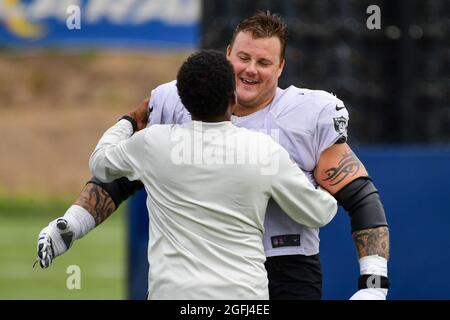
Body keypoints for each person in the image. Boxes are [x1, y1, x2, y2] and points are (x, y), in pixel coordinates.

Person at [36, 11, 390, 300]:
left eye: (264, 62)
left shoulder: (307, 113)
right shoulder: (180, 100)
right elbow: (121, 179)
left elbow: (359, 196)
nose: (251, 69)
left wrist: (374, 280)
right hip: (208, 266)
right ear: (227, 56)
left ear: (281, 68)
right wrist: (74, 222)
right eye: (244, 57)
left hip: (286, 263)